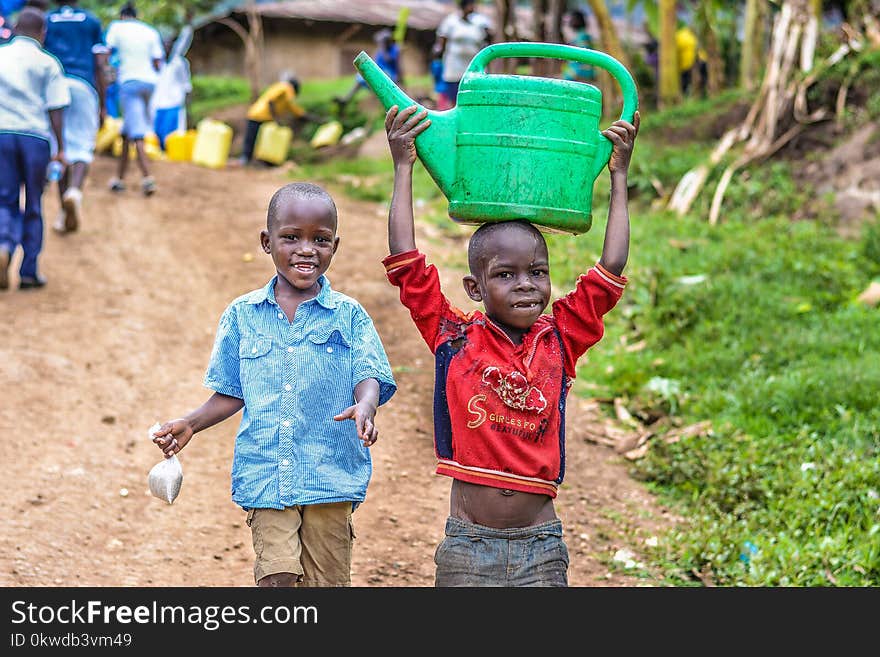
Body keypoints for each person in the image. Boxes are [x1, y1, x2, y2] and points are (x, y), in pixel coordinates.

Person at [380, 103, 639, 586]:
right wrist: (403, 165)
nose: (526, 285)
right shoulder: (454, 338)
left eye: (537, 272)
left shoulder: (562, 337)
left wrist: (618, 177)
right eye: (505, 274)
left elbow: (611, 268)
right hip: (467, 545)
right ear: (474, 288)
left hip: (541, 549)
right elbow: (406, 261)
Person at [151, 182, 397, 587]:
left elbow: (368, 372)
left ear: (335, 245)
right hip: (268, 475)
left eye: (320, 240)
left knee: (327, 585)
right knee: (276, 579)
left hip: (329, 476)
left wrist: (366, 404)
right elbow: (232, 390)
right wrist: (191, 423)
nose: (306, 249)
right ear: (267, 242)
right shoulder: (242, 315)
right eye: (291, 237)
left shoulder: (349, 315)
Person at [0, 7, 69, 291]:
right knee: (34, 203)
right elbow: (56, 108)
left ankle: (3, 245)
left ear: (15, 28)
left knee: (4, 199)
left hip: (2, 134)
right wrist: (61, 148)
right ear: (42, 33)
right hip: (35, 138)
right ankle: (29, 271)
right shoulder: (49, 63)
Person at [42, 0, 107, 235]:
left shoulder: (47, 20)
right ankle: (75, 192)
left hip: (55, 87)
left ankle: (62, 210)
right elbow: (100, 65)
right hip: (84, 86)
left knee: (61, 148)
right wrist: (103, 103)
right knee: (82, 146)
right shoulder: (91, 21)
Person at [104, 2, 163, 195]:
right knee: (128, 131)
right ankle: (119, 179)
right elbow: (157, 62)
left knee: (137, 133)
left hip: (130, 82)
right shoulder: (150, 31)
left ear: (122, 15)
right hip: (150, 83)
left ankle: (148, 179)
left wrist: (106, 75)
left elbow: (106, 52)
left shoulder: (117, 28)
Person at [434, 0, 492, 108]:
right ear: (463, 6)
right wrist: (437, 58)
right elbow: (441, 41)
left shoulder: (481, 21)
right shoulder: (451, 21)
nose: (472, 7)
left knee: (473, 93)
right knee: (454, 95)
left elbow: (489, 39)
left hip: (474, 64)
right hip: (454, 65)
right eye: (470, 5)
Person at [239, 72, 306, 166]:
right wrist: (276, 118)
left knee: (261, 139)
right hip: (257, 115)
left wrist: (313, 118)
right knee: (251, 138)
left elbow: (296, 110)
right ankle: (245, 159)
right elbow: (271, 101)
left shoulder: (286, 98)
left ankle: (261, 160)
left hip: (265, 118)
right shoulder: (284, 87)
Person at [335, 28, 401, 115]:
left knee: (383, 81)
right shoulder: (380, 50)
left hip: (389, 75)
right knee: (360, 77)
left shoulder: (394, 49)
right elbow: (375, 63)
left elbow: (391, 61)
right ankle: (346, 99)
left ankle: (386, 107)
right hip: (379, 72)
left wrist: (382, 47)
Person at [150, 24, 192, 150]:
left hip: (174, 104)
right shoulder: (158, 64)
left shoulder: (179, 63)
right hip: (158, 105)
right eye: (164, 44)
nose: (166, 47)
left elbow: (187, 86)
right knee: (157, 137)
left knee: (171, 138)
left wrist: (188, 107)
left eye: (169, 44)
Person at [561, 9, 596, 84]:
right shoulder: (579, 36)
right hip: (577, 73)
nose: (569, 21)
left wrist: (570, 75)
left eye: (572, 18)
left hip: (580, 75)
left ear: (578, 20)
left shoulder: (582, 37)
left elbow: (585, 59)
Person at [676, 22, 707, 97]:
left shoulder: (691, 36)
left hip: (693, 63)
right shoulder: (682, 35)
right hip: (686, 64)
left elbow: (698, 50)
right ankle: (684, 96)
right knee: (685, 82)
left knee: (696, 79)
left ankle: (698, 94)